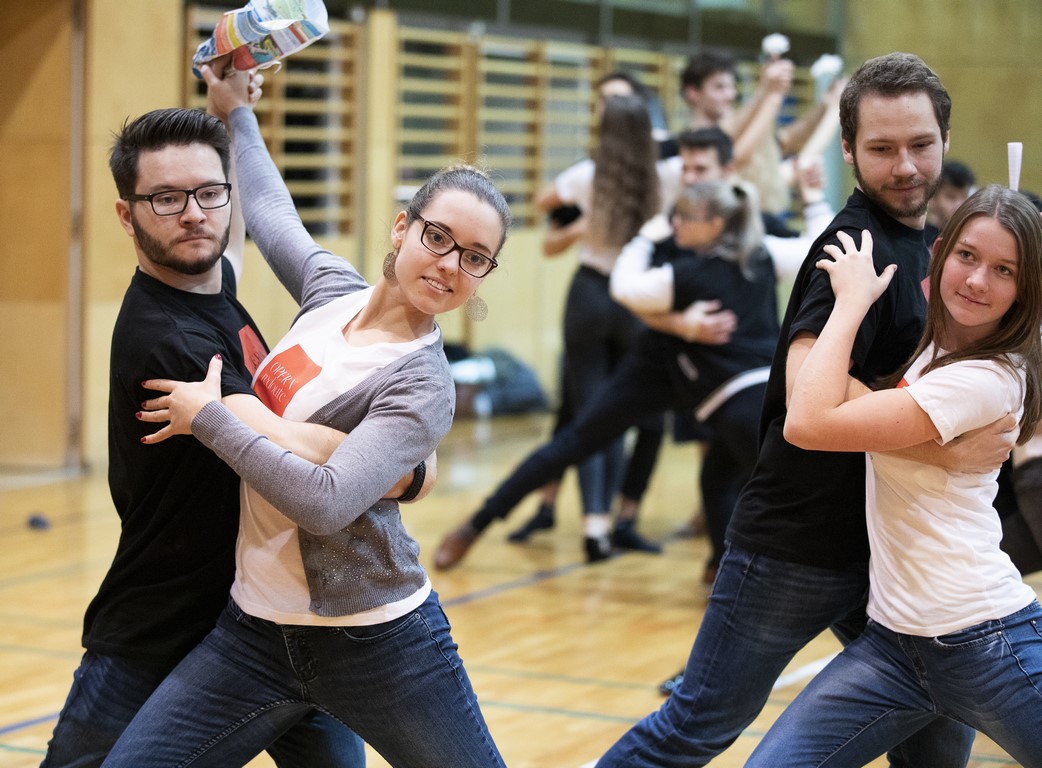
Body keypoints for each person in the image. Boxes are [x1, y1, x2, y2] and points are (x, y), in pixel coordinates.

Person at [592, 52, 1015, 768]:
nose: (905, 166)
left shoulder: (931, 247)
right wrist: (941, 444)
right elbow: (808, 391)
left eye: (920, 144)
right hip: (796, 548)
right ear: (846, 149)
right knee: (694, 727)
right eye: (881, 149)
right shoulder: (853, 246)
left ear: (945, 138)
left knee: (936, 743)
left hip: (890, 554)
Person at [100, 63, 510, 767]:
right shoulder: (331, 291)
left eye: (475, 258)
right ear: (404, 226)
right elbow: (268, 211)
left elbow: (326, 504)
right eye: (438, 238)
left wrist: (214, 418)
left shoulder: (423, 384)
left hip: (377, 640)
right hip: (255, 631)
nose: (449, 265)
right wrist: (235, 112)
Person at [41, 94, 374, 766]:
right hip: (166, 627)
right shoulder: (170, 342)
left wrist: (234, 109)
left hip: (268, 621)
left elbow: (254, 220)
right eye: (165, 199)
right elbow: (294, 452)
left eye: (207, 193)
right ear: (126, 216)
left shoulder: (210, 283)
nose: (193, 213)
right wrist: (401, 465)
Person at [746, 184, 1042, 766]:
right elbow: (835, 404)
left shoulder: (987, 377)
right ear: (939, 254)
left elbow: (807, 421)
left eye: (1004, 270)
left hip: (986, 639)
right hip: (892, 647)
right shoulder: (936, 347)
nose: (978, 280)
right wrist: (934, 449)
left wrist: (851, 302)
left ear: (1024, 289)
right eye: (967, 256)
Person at [433, 178, 778, 573]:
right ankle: (476, 524)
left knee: (720, 473)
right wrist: (679, 323)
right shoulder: (667, 208)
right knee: (576, 440)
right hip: (658, 364)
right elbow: (628, 291)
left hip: (718, 380)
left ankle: (719, 565)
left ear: (717, 219)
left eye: (687, 214)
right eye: (677, 212)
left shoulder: (751, 252)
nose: (677, 220)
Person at [509, 92, 681, 563]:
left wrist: (582, 222)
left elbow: (542, 200)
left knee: (587, 416)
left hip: (588, 294)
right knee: (618, 416)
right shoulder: (665, 175)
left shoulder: (586, 175)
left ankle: (594, 528)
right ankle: (612, 520)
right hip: (635, 297)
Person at [924, 159, 976, 243]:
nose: (959, 204)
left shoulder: (971, 236)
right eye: (951, 197)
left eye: (964, 196)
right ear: (932, 197)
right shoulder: (923, 239)